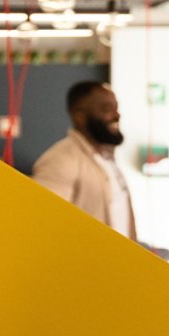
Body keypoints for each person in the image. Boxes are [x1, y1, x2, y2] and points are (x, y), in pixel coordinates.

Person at [31, 81, 136, 240]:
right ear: (80, 115)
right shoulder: (60, 159)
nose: (117, 115)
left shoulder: (106, 157)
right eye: (107, 109)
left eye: (116, 107)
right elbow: (43, 224)